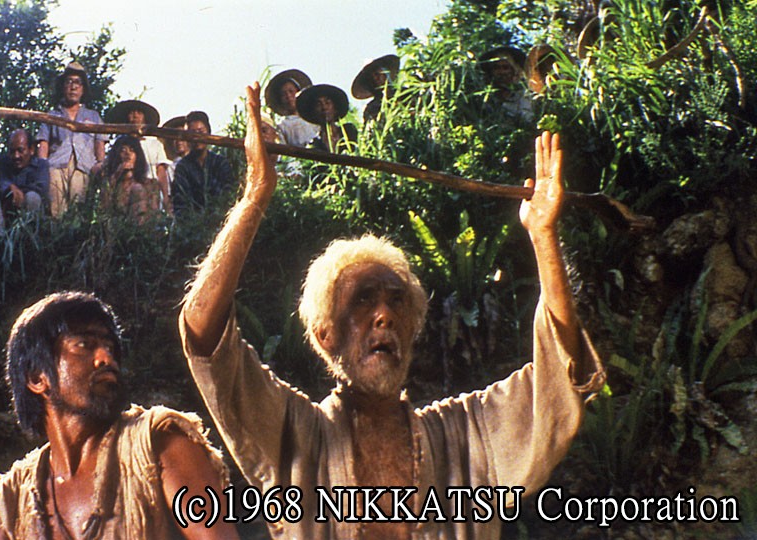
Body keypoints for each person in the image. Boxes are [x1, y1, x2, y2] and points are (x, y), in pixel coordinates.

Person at [179, 83, 605, 539]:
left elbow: (561, 373)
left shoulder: (466, 436)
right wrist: (254, 197)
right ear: (325, 334)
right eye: (363, 299)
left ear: (412, 326)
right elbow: (204, 335)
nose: (384, 315)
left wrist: (543, 236)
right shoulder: (296, 437)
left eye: (396, 300)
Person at [0, 291, 237, 540]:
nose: (106, 359)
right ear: (36, 378)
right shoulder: (7, 505)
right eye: (84, 345)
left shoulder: (158, 444)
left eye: (110, 348)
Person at [37, 62, 108, 217]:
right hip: (56, 167)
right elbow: (43, 143)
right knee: (56, 212)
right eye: (69, 82)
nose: (73, 87)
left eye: (78, 83)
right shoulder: (52, 115)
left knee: (78, 213)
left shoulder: (93, 116)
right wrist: (42, 167)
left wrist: (100, 164)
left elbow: (99, 143)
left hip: (84, 167)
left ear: (83, 89)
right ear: (63, 86)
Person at [105, 99, 171, 213]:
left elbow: (161, 171)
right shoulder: (120, 143)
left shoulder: (154, 143)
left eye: (139, 113)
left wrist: (165, 196)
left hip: (150, 188)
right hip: (124, 187)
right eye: (132, 113)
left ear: (144, 117)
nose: (135, 116)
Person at [0, 128, 48, 233]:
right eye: (12, 151)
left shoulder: (41, 165)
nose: (16, 156)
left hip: (26, 213)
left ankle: (27, 239)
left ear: (31, 150)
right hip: (3, 215)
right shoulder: (1, 162)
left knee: (33, 197)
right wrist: (8, 188)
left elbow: (41, 189)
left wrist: (20, 192)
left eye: (20, 150)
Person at [171, 110, 234, 216]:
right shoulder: (182, 167)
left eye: (200, 132)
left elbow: (228, 195)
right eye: (192, 133)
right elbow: (180, 203)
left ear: (208, 133)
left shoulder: (221, 163)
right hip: (192, 222)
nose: (197, 137)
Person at [98, 135, 155, 222]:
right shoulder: (111, 182)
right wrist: (116, 176)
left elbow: (153, 214)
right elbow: (104, 208)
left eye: (132, 150)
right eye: (123, 150)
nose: (128, 154)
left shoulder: (149, 184)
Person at [296, 83, 359, 154]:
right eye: (319, 104)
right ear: (313, 112)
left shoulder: (349, 131)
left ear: (335, 108)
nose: (324, 107)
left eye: (327, 103)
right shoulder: (315, 144)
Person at [265, 68, 319, 147]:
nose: (288, 96)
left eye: (291, 91)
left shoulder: (314, 119)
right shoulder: (283, 125)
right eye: (283, 94)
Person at [480, 46, 534, 122]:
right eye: (496, 68)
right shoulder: (485, 98)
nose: (501, 72)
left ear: (515, 70)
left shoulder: (525, 95)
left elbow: (527, 119)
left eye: (505, 67)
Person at [351, 54, 400, 124]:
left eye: (377, 74)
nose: (376, 78)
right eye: (371, 78)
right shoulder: (372, 107)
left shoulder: (405, 93)